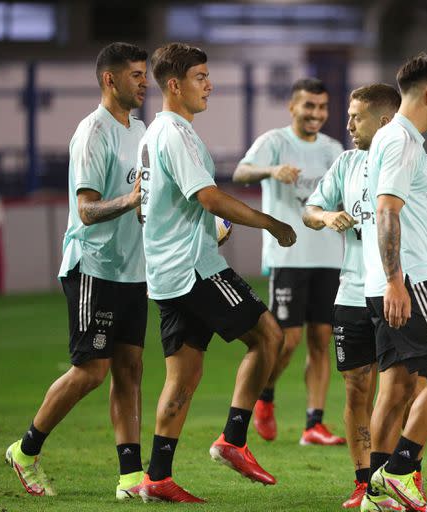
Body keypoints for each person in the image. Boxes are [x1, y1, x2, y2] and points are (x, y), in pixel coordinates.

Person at [136, 42, 296, 503]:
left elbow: (162, 207)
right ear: (174, 84)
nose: (210, 85)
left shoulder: (155, 134)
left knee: (182, 376)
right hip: (194, 267)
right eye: (201, 77)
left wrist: (210, 229)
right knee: (269, 336)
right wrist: (269, 221)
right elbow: (207, 196)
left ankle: (157, 477)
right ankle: (233, 439)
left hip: (166, 271)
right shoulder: (175, 134)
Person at [5, 42, 149, 500]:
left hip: (131, 269)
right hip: (93, 266)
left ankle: (130, 478)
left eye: (146, 74)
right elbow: (86, 210)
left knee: (130, 370)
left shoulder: (141, 128)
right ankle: (25, 451)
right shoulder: (93, 132)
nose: (144, 82)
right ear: (110, 80)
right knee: (91, 371)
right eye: (136, 75)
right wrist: (131, 201)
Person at [360, 53, 427, 512]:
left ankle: (375, 495)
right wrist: (397, 281)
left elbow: (420, 223)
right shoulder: (402, 141)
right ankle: (400, 472)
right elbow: (386, 210)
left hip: (403, 279)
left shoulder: (392, 140)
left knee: (399, 386)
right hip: (406, 283)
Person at [233, 78, 345, 445]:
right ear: (293, 107)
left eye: (322, 107)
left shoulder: (334, 149)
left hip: (329, 256)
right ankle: (265, 397)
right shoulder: (274, 142)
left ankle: (314, 424)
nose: (316, 114)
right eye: (309, 106)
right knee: (288, 339)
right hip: (289, 254)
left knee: (321, 338)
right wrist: (271, 171)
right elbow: (240, 172)